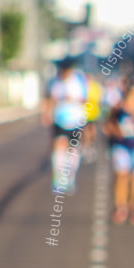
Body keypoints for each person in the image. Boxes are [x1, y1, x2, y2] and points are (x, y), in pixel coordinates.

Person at [104, 76, 134, 225]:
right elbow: (109, 124)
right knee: (121, 175)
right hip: (121, 144)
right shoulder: (118, 106)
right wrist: (115, 131)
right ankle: (120, 207)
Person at [43, 59, 89, 194]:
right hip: (60, 120)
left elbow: (85, 99)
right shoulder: (56, 82)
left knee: (72, 150)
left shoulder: (78, 81)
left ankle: (70, 178)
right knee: (59, 148)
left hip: (75, 120)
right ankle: (58, 179)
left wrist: (73, 100)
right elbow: (51, 98)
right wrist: (47, 113)